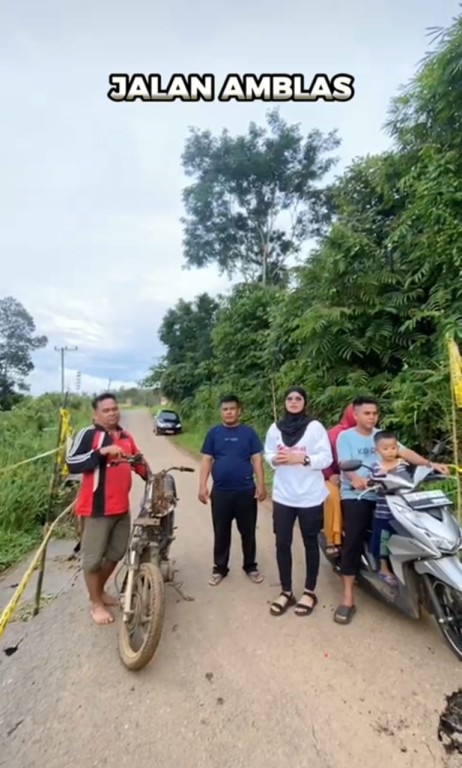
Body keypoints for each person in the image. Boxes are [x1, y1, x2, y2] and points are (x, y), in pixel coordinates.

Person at [333, 395, 448, 625]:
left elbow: (406, 454)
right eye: (367, 413)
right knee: (353, 538)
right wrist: (356, 479)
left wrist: (430, 465)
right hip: (358, 494)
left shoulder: (382, 436)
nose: (372, 417)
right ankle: (347, 597)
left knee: (413, 528)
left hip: (390, 493)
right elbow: (345, 464)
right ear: (355, 415)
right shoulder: (346, 437)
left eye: (375, 413)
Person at [66, 392, 148, 626]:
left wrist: (151, 477)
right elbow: (71, 462)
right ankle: (96, 604)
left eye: (114, 409)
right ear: (95, 414)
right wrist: (101, 453)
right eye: (106, 410)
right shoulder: (89, 435)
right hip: (96, 510)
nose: (112, 413)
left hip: (121, 508)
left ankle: (98, 591)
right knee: (92, 560)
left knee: (115, 554)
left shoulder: (126, 437)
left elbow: (138, 462)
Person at [264, 386, 333, 617]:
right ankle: (286, 591)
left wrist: (302, 458)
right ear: (284, 402)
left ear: (305, 402)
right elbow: (267, 452)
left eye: (298, 398)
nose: (293, 402)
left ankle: (309, 591)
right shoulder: (275, 428)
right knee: (282, 542)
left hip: (309, 495)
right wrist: (276, 459)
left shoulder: (315, 427)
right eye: (289, 398)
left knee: (310, 542)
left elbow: (326, 458)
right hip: (283, 495)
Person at [198, 394, 266, 586]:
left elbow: (257, 459)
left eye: (232, 409)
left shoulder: (249, 433)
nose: (229, 412)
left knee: (248, 531)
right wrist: (202, 485)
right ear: (221, 412)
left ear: (239, 411)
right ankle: (220, 568)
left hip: (246, 491)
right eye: (225, 409)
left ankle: (250, 566)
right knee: (221, 532)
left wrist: (261, 484)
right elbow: (206, 459)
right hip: (221, 492)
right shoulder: (214, 433)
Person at [368, 430, 412, 586]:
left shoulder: (402, 465)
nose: (390, 452)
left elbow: (409, 482)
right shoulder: (376, 466)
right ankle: (384, 568)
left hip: (402, 510)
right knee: (383, 540)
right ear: (377, 450)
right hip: (384, 512)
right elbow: (373, 481)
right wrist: (384, 473)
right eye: (385, 449)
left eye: (393, 448)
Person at [322, 404, 356, 555]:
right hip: (333, 475)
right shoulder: (334, 434)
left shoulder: (369, 434)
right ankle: (332, 538)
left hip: (363, 476)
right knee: (332, 496)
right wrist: (330, 474)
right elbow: (323, 457)